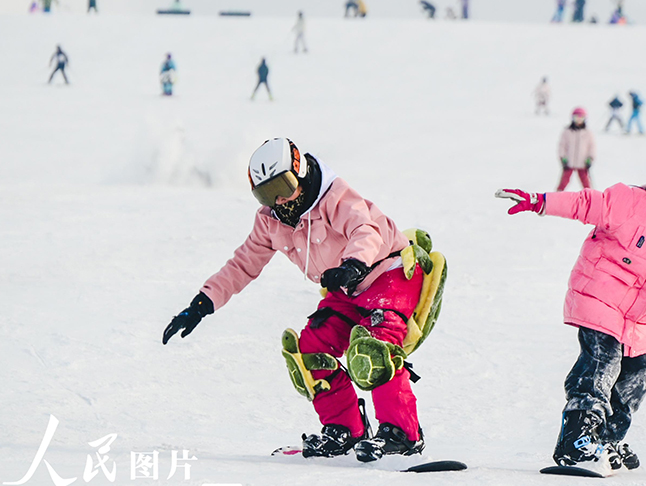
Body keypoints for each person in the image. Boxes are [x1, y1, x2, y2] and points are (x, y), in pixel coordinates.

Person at [163, 138, 444, 461]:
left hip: (388, 274)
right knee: (311, 350)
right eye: (267, 193)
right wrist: (202, 304)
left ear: (299, 172)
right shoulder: (270, 220)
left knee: (375, 348)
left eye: (283, 186)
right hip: (346, 289)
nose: (279, 199)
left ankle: (402, 432)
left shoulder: (335, 196)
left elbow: (365, 231)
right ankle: (345, 428)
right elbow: (243, 264)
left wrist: (353, 264)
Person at [496, 145, 646, 474]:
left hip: (638, 318)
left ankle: (607, 440)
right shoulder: (632, 202)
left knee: (638, 377)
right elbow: (585, 204)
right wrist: (540, 201)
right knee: (601, 365)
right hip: (600, 298)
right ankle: (577, 440)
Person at [556, 108, 595, 191]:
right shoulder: (567, 132)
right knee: (564, 181)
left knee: (586, 182)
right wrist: (562, 157)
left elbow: (592, 147)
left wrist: (590, 158)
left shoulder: (587, 133)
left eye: (581, 118)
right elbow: (562, 145)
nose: (579, 120)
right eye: (577, 117)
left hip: (582, 162)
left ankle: (591, 196)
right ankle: (557, 195)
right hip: (569, 161)